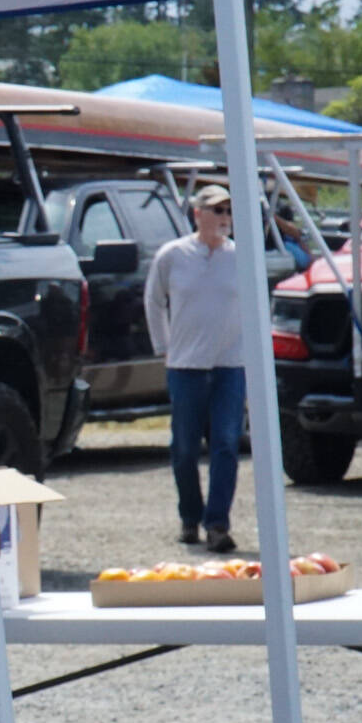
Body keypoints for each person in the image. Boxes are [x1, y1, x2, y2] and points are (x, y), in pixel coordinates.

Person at [145, 183, 245, 552]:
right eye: (216, 211)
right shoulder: (173, 255)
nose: (224, 218)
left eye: (228, 211)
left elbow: (257, 305)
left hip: (230, 365)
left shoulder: (241, 256)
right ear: (197, 214)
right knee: (185, 447)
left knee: (225, 444)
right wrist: (164, 348)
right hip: (186, 365)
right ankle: (190, 515)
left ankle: (217, 523)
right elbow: (154, 301)